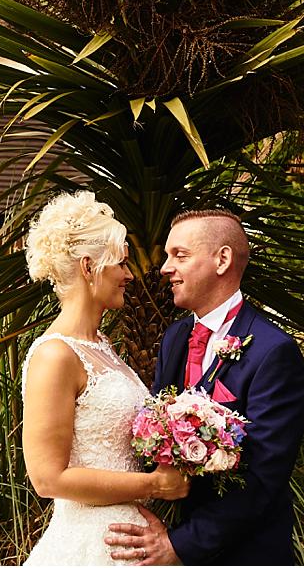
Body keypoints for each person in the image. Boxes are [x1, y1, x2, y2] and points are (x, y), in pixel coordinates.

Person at [105, 209, 304, 565]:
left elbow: (262, 478)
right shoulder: (175, 337)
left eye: (180, 255)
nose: (165, 268)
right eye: (168, 256)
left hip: (247, 555)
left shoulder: (273, 351)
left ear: (222, 260)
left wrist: (179, 545)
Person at [21, 191, 190, 565]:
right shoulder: (55, 355)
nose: (129, 275)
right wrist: (155, 485)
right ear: (88, 267)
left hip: (129, 536)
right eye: (120, 264)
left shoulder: (102, 346)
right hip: (90, 543)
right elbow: (48, 478)